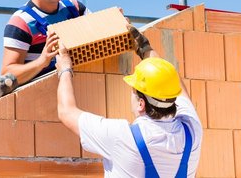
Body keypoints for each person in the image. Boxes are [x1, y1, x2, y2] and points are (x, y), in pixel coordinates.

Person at [55, 26, 203, 177]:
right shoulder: (192, 130)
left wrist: (64, 69)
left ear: (141, 103)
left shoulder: (121, 137)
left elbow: (66, 112)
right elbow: (170, 81)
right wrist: (145, 48)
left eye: (133, 90)